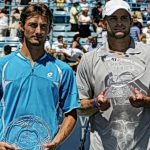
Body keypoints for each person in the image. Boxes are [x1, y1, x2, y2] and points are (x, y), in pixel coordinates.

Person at [0, 3, 80, 150]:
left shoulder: (63, 70)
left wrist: (56, 142)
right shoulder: (2, 65)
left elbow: (71, 112)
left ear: (49, 29)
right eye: (33, 25)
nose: (38, 31)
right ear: (21, 26)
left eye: (43, 26)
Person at [76, 0, 150, 150]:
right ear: (103, 23)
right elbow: (79, 106)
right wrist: (96, 103)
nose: (119, 23)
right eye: (113, 18)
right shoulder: (89, 59)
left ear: (131, 21)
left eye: (124, 18)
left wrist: (145, 101)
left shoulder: (148, 55)